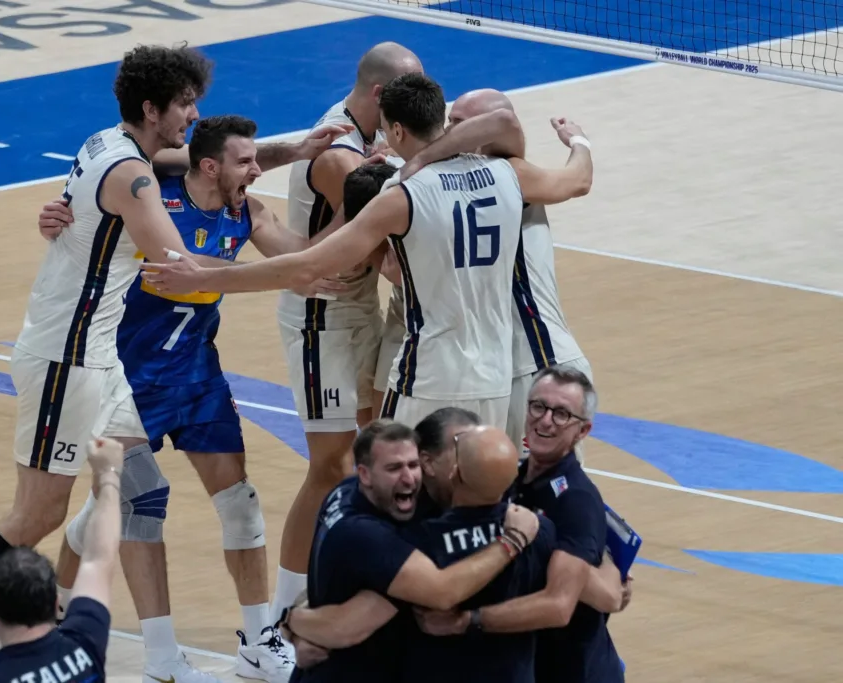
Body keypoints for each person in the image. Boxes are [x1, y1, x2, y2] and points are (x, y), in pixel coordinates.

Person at [0, 43, 220, 683]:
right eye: (186, 104)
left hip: (96, 355)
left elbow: (180, 162)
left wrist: (285, 152)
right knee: (38, 513)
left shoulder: (109, 142)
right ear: (152, 108)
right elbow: (182, 271)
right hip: (65, 360)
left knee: (141, 490)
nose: (194, 115)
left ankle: (152, 652)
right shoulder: (130, 176)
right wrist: (297, 271)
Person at [35, 114, 356, 683]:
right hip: (127, 376)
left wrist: (357, 205)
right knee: (138, 506)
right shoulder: (152, 202)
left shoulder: (247, 211)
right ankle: (157, 655)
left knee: (240, 504)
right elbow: (184, 266)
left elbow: (304, 256)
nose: (255, 171)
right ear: (208, 166)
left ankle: (258, 643)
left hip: (197, 374)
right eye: (245, 162)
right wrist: (56, 213)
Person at [138, 73, 577, 434]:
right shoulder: (505, 174)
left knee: (399, 489)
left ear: (397, 131)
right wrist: (581, 145)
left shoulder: (401, 195)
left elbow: (308, 265)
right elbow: (509, 126)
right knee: (481, 489)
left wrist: (203, 278)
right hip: (496, 376)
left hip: (431, 373)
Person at [269, 41, 425, 627]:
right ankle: (281, 617)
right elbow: (379, 247)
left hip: (358, 309)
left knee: (378, 449)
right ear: (380, 94)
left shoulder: (370, 138)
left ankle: (363, 579)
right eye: (405, 94)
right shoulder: (339, 154)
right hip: (322, 319)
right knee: (330, 467)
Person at [276, 419, 541, 682]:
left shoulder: (354, 492)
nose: (408, 477)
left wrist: (292, 623)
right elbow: (439, 592)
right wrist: (512, 541)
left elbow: (330, 587)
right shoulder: (369, 533)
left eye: (412, 465)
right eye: (394, 468)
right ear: (365, 474)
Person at [426, 367, 628, 683]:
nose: (545, 420)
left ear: (583, 431)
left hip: (573, 671)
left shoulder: (576, 500)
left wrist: (468, 621)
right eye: (538, 406)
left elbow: (559, 606)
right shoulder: (512, 476)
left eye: (561, 414)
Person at [428, 88, 595, 461]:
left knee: (549, 486)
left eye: (461, 123)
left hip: (540, 357)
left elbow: (579, 181)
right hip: (500, 366)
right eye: (449, 121)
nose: (449, 131)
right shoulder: (449, 180)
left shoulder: (510, 174)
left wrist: (579, 142)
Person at [0, 437, 125, 683]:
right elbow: (98, 558)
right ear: (55, 603)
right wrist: (109, 474)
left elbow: (98, 559)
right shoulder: (85, 643)